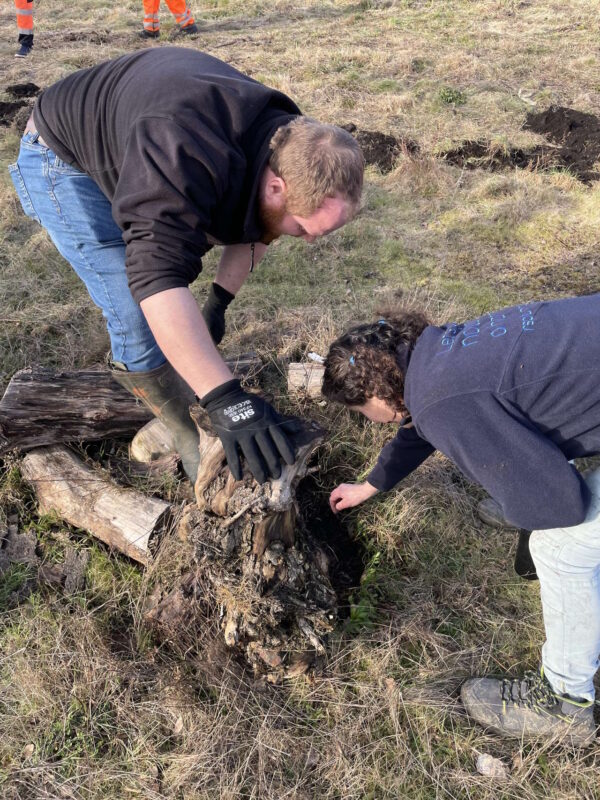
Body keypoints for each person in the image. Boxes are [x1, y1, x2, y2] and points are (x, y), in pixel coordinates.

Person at [9, 48, 364, 485]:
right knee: (134, 311)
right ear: (276, 186)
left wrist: (217, 305)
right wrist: (225, 399)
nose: (308, 239)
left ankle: (184, 387)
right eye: (306, 227)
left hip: (140, 136)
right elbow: (155, 277)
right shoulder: (183, 153)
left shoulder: (290, 144)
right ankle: (182, 432)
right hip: (63, 159)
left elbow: (260, 227)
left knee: (172, 309)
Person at [322, 295, 600, 745]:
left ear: (376, 394)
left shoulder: (442, 402)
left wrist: (530, 509)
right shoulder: (434, 353)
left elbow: (562, 505)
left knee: (559, 546)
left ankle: (564, 703)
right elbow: (423, 422)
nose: (370, 422)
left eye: (360, 413)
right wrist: (371, 485)